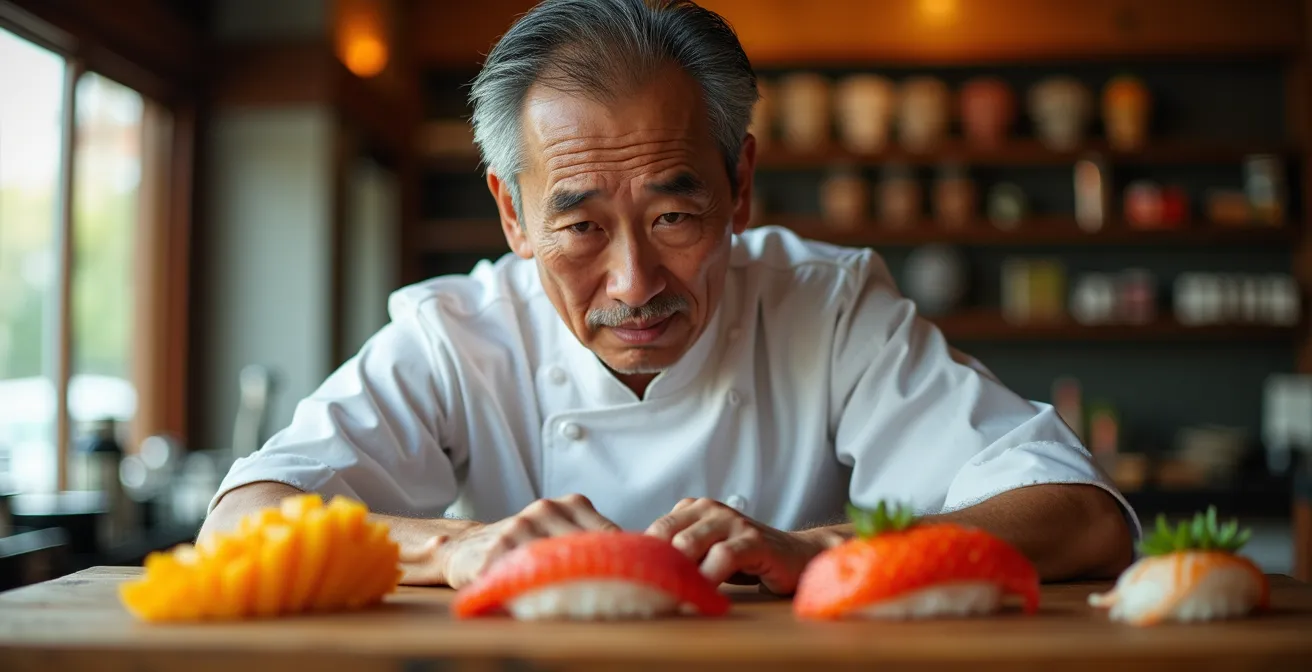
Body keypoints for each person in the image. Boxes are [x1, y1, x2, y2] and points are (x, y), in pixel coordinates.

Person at [201, 0, 1138, 593]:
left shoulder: (827, 304)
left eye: (674, 217)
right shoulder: (457, 333)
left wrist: (829, 550)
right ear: (512, 215)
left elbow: (1081, 514)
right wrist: (455, 549)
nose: (633, 285)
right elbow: (240, 517)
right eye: (579, 226)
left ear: (739, 187)